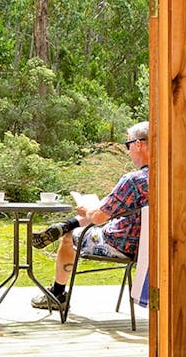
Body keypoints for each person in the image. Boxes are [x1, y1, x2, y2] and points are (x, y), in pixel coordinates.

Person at [29, 121, 150, 311]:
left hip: (119, 245)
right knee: (98, 215)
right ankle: (67, 224)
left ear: (139, 144)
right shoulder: (167, 178)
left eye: (128, 145)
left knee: (73, 235)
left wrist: (85, 207)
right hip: (149, 248)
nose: (128, 151)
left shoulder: (133, 181)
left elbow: (99, 217)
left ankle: (57, 293)